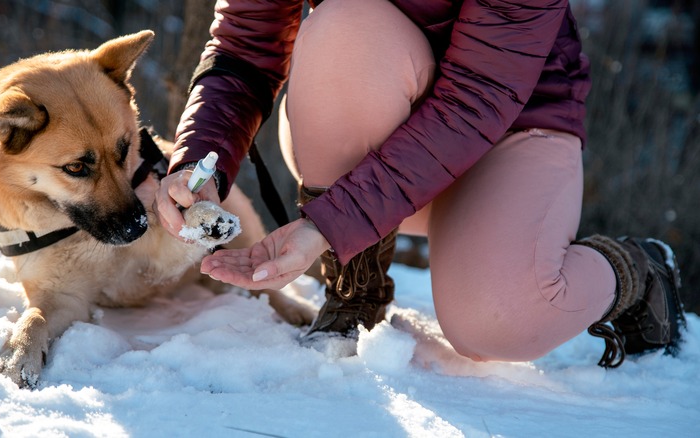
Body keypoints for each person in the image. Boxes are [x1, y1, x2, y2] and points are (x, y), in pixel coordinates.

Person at [154, 0, 686, 368]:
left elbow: (477, 98)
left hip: (511, 126)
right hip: (379, 106)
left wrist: (330, 224)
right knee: (345, 27)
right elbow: (247, 46)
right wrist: (201, 161)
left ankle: (638, 271)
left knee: (495, 323)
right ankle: (355, 293)